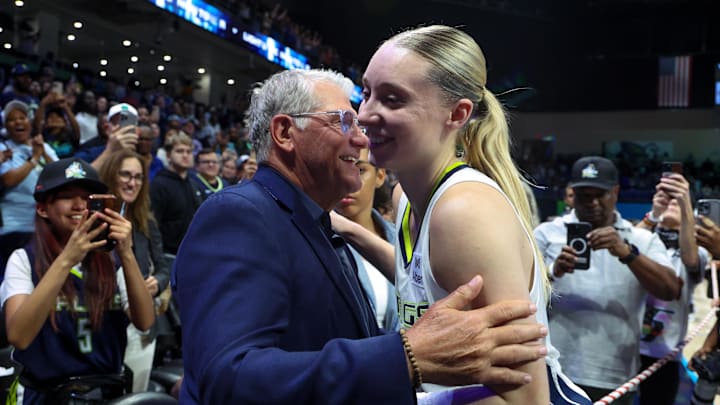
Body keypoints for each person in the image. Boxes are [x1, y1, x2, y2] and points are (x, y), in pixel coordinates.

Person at [173, 68, 550, 404]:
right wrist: (404, 357)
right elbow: (226, 378)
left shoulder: (315, 222)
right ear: (286, 132)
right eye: (343, 121)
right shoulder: (239, 215)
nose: (362, 139)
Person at [335, 24, 589, 404]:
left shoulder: (463, 213)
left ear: (457, 114)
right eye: (366, 93)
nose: (366, 114)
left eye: (392, 100)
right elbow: (421, 281)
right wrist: (346, 229)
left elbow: (525, 401)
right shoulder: (407, 195)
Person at [0, 157, 155, 403]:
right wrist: (66, 259)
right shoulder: (23, 259)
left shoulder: (112, 259)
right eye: (66, 196)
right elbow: (19, 336)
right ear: (42, 208)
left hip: (106, 394)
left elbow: (145, 321)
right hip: (46, 396)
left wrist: (126, 252)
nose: (78, 206)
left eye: (88, 198)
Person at [534, 155, 681, 404]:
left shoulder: (641, 240)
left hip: (615, 373)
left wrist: (627, 253)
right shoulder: (547, 233)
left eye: (599, 195)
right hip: (554, 368)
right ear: (571, 193)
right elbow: (522, 292)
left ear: (615, 192)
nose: (591, 203)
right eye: (583, 195)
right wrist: (553, 271)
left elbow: (670, 289)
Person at [98, 149, 170, 392]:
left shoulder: (145, 220)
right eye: (125, 175)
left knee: (135, 393)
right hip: (107, 319)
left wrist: (157, 283)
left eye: (138, 177)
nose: (132, 182)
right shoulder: (95, 221)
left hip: (142, 321)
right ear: (111, 176)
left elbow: (162, 266)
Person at [634, 172, 708, 405]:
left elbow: (690, 258)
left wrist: (685, 204)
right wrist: (654, 214)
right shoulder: (644, 237)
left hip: (664, 355)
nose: (670, 202)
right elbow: (628, 248)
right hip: (627, 349)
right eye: (665, 198)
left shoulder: (698, 252)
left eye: (677, 201)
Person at [335, 148, 398, 331]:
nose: (349, 180)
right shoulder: (319, 243)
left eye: (361, 170)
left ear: (380, 176)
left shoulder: (401, 238)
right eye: (339, 168)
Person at [0, 100, 58, 273]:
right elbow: (8, 180)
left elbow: (60, 174)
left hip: (43, 227)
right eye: (12, 119)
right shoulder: (4, 149)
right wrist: (34, 159)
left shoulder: (43, 147)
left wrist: (42, 153)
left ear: (30, 122)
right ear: (6, 127)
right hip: (12, 228)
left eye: (22, 117)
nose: (18, 122)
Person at [150, 131, 201, 259]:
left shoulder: (194, 183)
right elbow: (153, 225)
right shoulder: (159, 184)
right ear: (168, 155)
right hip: (168, 255)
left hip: (193, 252)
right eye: (179, 151)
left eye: (189, 152)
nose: (185, 155)